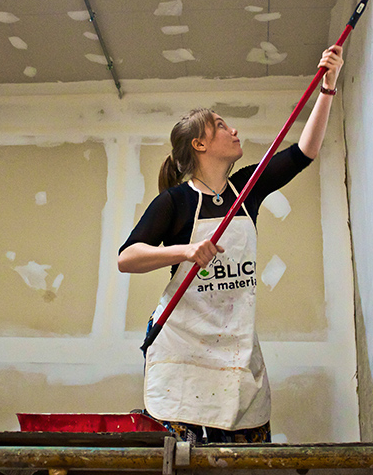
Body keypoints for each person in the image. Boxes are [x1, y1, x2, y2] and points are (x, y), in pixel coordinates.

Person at [118, 45, 344, 444]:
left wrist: (328, 88)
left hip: (234, 344)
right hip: (183, 346)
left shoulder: (246, 189)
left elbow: (304, 152)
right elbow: (127, 258)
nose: (233, 130)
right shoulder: (175, 201)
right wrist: (185, 251)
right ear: (199, 146)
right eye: (221, 126)